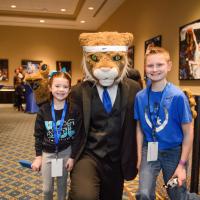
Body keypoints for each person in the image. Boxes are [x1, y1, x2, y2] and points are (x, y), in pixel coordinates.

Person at [68, 32, 140, 200]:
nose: (106, 67)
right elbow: (68, 124)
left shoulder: (134, 88)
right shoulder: (78, 92)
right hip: (88, 155)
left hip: (117, 158)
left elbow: (145, 116)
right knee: (84, 196)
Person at [134, 47, 199, 200]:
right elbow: (139, 128)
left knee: (176, 193)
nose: (155, 69)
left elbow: (189, 132)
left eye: (160, 65)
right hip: (149, 150)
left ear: (169, 66)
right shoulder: (140, 97)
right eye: (150, 65)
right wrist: (138, 156)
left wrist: (182, 165)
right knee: (143, 193)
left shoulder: (177, 96)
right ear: (145, 68)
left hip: (174, 153)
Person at [31, 71, 82, 200]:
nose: (61, 90)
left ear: (70, 89)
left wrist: (72, 157)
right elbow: (38, 135)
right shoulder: (44, 110)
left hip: (66, 153)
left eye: (65, 87)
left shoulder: (74, 110)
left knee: (62, 187)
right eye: (57, 86)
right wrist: (38, 157)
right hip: (48, 153)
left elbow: (77, 136)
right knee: (47, 190)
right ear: (50, 87)